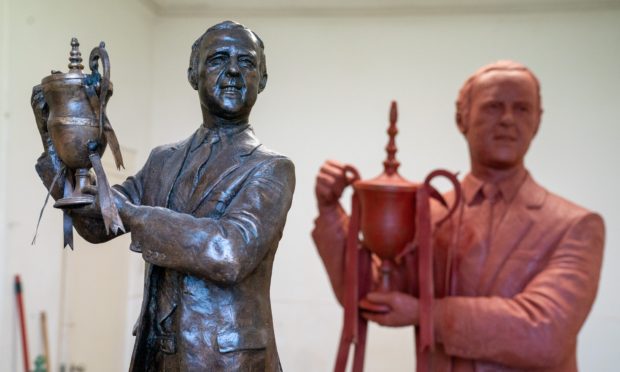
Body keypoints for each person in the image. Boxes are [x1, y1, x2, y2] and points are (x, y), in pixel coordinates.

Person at [33, 21, 295, 371]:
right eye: (218, 59)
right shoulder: (162, 160)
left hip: (226, 362)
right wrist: (56, 144)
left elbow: (231, 252)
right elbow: (98, 226)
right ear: (193, 74)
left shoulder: (271, 168)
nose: (233, 70)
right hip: (157, 356)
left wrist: (132, 213)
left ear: (261, 81)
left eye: (246, 63)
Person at [313, 61, 604, 371]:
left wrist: (425, 314)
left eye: (521, 108)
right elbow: (373, 295)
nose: (508, 119)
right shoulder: (431, 215)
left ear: (538, 121)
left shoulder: (575, 226)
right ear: (461, 118)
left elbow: (545, 334)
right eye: (493, 106)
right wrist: (331, 214)